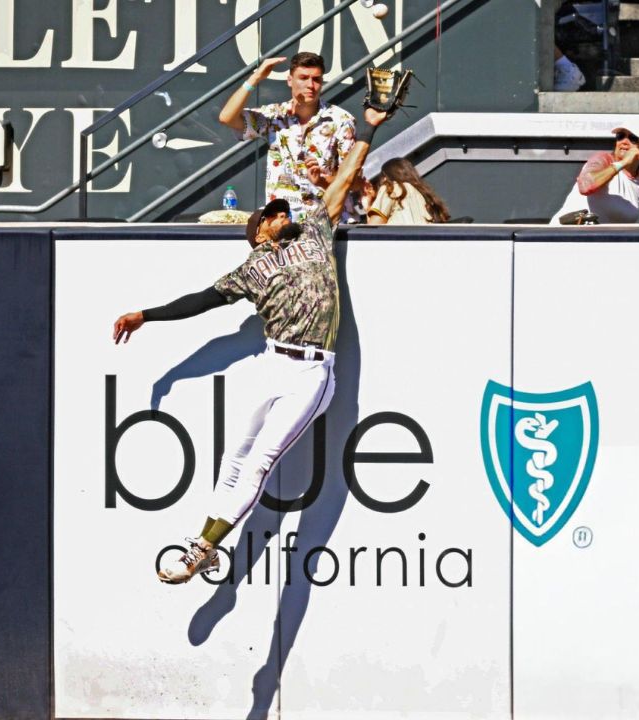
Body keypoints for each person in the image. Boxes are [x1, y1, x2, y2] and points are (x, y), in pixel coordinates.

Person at [112, 106, 393, 585]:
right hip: (272, 361)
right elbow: (200, 301)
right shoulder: (249, 269)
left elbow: (345, 177)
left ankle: (203, 547)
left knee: (261, 458)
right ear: (258, 231)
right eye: (272, 214)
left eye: (284, 211)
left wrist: (370, 125)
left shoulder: (315, 233)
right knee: (235, 455)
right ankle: (204, 540)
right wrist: (148, 315)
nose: (282, 214)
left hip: (310, 370)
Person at [218, 53, 358, 223]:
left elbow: (353, 181)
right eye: (303, 78)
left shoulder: (341, 120)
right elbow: (227, 117)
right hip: (282, 224)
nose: (310, 85)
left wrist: (321, 180)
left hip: (327, 223)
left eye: (316, 79)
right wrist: (255, 78)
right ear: (290, 80)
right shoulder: (274, 116)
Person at [550, 123, 639, 224]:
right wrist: (623, 163)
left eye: (633, 138)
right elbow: (585, 187)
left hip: (602, 240)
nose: (624, 141)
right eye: (620, 136)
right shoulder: (603, 160)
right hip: (564, 237)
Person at [367, 158, 451, 224]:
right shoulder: (424, 194)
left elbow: (373, 228)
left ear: (385, 177)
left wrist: (367, 204)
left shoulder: (391, 187)